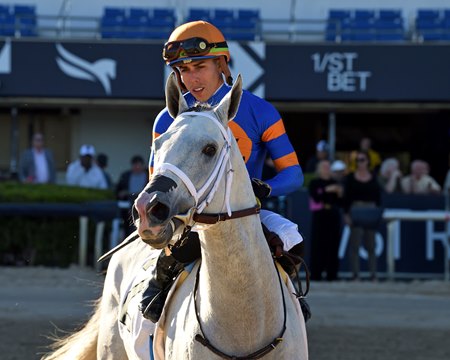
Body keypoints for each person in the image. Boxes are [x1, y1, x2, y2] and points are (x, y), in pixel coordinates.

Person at [139, 20, 306, 324]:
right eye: (182, 71)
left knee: (291, 240)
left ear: (221, 63)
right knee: (168, 271)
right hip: (188, 220)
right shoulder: (167, 119)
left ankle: (290, 305)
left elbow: (294, 175)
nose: (191, 78)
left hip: (246, 215)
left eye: (199, 66)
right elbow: (155, 180)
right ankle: (154, 307)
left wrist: (263, 188)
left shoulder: (260, 111)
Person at [343, 150, 382, 281]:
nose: (361, 163)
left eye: (363, 160)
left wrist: (378, 213)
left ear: (368, 161)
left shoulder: (374, 177)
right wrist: (346, 214)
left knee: (371, 245)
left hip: (370, 210)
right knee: (355, 244)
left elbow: (378, 197)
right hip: (356, 209)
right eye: (358, 160)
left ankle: (373, 274)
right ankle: (355, 275)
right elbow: (346, 198)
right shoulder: (351, 177)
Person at [308, 159, 343, 281]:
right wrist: (327, 190)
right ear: (319, 169)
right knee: (318, 244)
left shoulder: (335, 182)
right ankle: (316, 274)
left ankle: (332, 274)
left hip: (333, 215)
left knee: (333, 244)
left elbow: (341, 202)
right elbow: (315, 197)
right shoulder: (315, 183)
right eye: (324, 166)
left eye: (328, 166)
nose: (326, 169)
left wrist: (339, 193)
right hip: (320, 216)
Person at [116, 155, 149, 236]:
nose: (137, 168)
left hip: (144, 202)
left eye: (139, 165)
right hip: (127, 203)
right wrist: (123, 193)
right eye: (135, 165)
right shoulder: (125, 176)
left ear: (143, 165)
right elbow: (118, 191)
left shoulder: (149, 175)